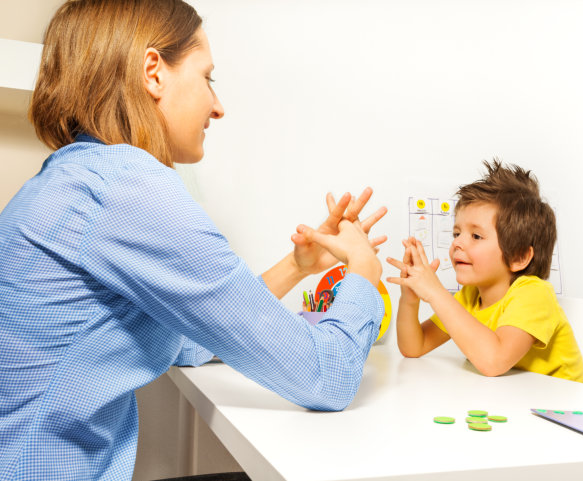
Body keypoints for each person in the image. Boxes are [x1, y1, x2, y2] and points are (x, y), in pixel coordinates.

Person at [0, 1, 388, 479]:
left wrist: (297, 266)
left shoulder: (78, 179)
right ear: (153, 73)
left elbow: (187, 340)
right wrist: (364, 275)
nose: (218, 106)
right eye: (208, 78)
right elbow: (325, 376)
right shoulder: (127, 188)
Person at [386, 160, 583, 383]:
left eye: (476, 236)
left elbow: (494, 361)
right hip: (510, 403)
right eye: (456, 233)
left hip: (560, 409)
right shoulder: (469, 297)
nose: (457, 244)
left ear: (519, 257)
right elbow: (414, 346)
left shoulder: (534, 295)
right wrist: (410, 299)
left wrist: (435, 293)